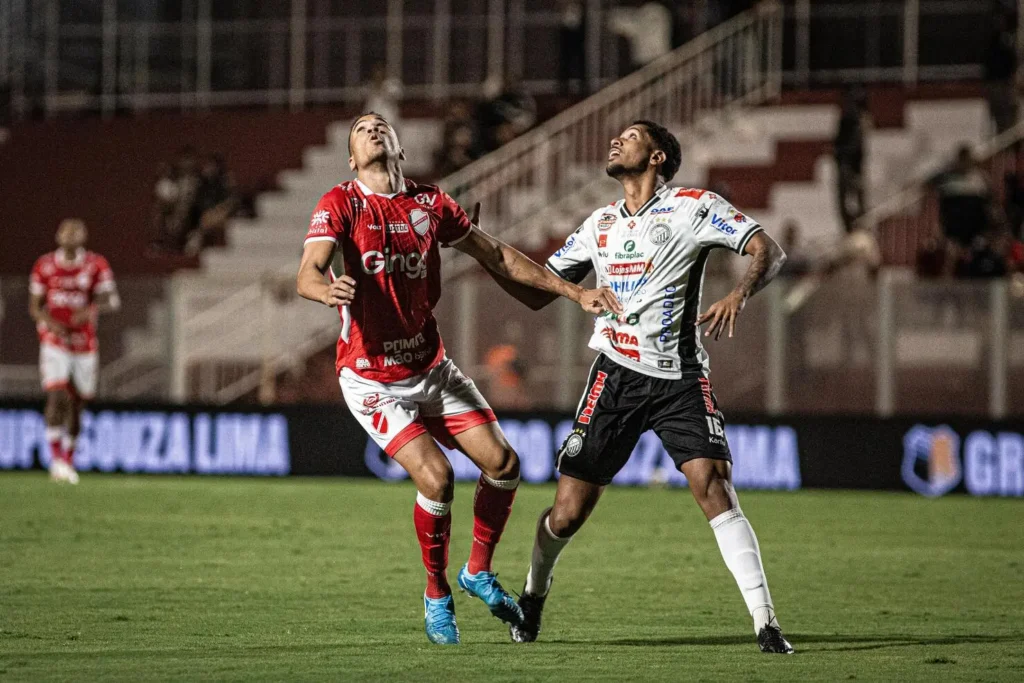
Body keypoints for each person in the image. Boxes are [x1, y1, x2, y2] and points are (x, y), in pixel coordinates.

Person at [294, 112, 619, 646]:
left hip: (431, 366)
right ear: (352, 157)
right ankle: (437, 593)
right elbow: (308, 268)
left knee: (505, 464)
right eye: (361, 128)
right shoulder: (341, 204)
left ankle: (478, 571)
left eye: (382, 126)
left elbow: (495, 255)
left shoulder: (431, 203)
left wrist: (574, 292)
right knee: (438, 478)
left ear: (398, 146)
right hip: (372, 378)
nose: (374, 129)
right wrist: (321, 289)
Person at [489, 120, 794, 654]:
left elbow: (769, 251)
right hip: (615, 377)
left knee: (714, 487)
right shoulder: (598, 224)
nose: (616, 141)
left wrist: (740, 295)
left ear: (657, 157)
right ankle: (534, 595)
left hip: (680, 377)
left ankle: (766, 623)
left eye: (630, 137)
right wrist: (484, 252)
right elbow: (538, 292)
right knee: (567, 513)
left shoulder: (694, 207)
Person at [28, 219, 120, 484]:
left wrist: (89, 311)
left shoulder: (96, 265)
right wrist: (49, 323)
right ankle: (56, 459)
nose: (70, 236)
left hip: (84, 343)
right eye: (66, 231)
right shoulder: (44, 266)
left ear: (84, 236)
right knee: (57, 396)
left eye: (76, 231)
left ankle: (69, 459)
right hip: (55, 340)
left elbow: (111, 300)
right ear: (58, 236)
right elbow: (35, 307)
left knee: (78, 404)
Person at [834, 87, 869, 232]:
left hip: (850, 165)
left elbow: (855, 146)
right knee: (850, 199)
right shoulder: (853, 119)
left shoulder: (854, 119)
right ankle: (855, 226)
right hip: (849, 165)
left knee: (851, 199)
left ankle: (857, 226)